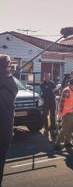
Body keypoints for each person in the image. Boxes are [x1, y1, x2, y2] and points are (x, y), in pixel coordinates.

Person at [0, 55, 18, 186]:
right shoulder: (10, 80)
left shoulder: (8, 79)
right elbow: (13, 92)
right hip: (4, 127)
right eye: (9, 64)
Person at [54, 78, 73, 150]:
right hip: (66, 114)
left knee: (70, 129)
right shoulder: (66, 90)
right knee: (64, 129)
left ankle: (67, 143)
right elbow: (61, 103)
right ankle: (57, 144)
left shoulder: (71, 91)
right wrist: (60, 113)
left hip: (71, 113)